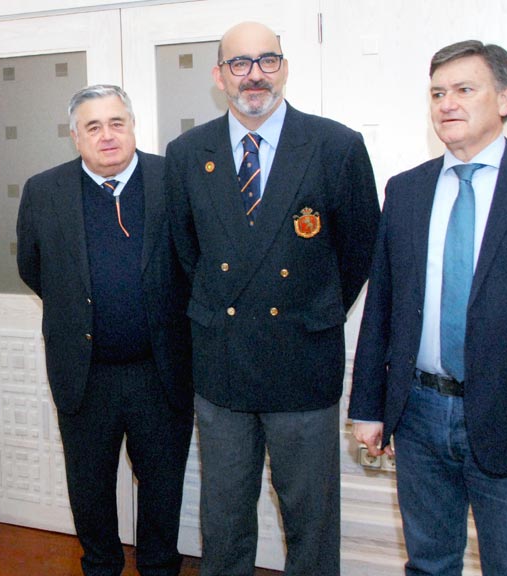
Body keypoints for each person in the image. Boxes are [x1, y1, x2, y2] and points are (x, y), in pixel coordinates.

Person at [165, 21, 381, 576]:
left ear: (284, 68)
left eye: (266, 60)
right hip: (223, 371)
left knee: (311, 523)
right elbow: (187, 255)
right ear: (219, 76)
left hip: (303, 366)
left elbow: (358, 252)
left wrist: (313, 309)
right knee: (225, 520)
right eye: (239, 63)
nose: (253, 75)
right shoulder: (188, 153)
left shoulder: (336, 146)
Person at [350, 40, 507, 575]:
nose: (447, 103)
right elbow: (383, 307)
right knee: (429, 564)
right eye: (438, 93)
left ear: (505, 98)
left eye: (465, 89)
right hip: (419, 414)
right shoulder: (407, 190)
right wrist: (369, 407)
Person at [16, 84, 194, 576]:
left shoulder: (172, 180)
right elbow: (34, 268)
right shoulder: (43, 191)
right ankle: (101, 567)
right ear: (76, 137)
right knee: (90, 491)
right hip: (85, 375)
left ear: (133, 127)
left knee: (162, 490)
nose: (107, 135)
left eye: (117, 123)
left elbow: (196, 261)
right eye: (93, 126)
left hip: (160, 374)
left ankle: (159, 568)